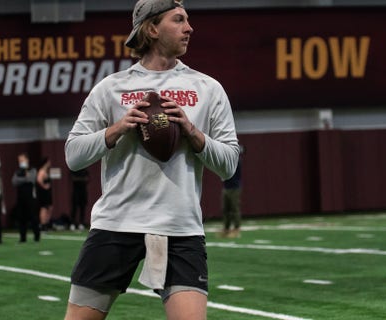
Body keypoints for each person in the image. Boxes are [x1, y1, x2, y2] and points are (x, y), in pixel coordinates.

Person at [63, 0, 240, 319]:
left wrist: (191, 131)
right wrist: (117, 129)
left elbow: (228, 164)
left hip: (179, 228)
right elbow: (73, 156)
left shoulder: (207, 88)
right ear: (152, 28)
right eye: (179, 20)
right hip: (117, 224)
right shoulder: (111, 88)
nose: (189, 28)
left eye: (188, 20)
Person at [12, 153, 41, 243]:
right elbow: (14, 181)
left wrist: (23, 179)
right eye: (19, 161)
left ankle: (37, 236)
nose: (21, 162)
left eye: (22, 160)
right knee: (21, 218)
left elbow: (31, 179)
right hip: (21, 198)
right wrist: (24, 178)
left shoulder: (32, 170)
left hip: (30, 198)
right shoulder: (17, 172)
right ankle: (22, 237)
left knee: (33, 217)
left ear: (27, 160)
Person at [220, 149, 243, 238]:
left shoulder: (237, 160)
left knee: (234, 208)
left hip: (234, 187)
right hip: (226, 187)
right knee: (225, 209)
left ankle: (237, 229)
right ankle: (226, 229)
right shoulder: (227, 159)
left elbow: (229, 171)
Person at [36, 157, 53, 231]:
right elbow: (39, 180)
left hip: (48, 192)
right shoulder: (42, 171)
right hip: (43, 192)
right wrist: (44, 186)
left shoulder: (47, 171)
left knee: (50, 207)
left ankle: (46, 224)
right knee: (44, 208)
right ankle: (42, 225)